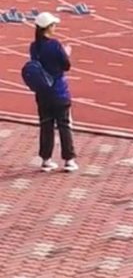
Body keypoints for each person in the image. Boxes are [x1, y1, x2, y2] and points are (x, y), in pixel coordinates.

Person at [28, 12, 78, 172]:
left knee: (46, 125)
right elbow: (66, 65)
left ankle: (46, 159)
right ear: (48, 28)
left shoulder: (34, 46)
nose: (55, 27)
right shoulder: (55, 45)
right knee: (64, 124)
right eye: (53, 25)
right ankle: (69, 160)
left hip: (42, 93)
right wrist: (67, 53)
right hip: (59, 92)